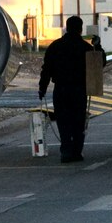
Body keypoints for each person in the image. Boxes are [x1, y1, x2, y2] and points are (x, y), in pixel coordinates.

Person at [39, 16, 93, 162]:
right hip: (79, 90)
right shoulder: (86, 48)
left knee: (63, 121)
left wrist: (42, 88)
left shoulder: (55, 46)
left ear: (67, 28)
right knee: (78, 121)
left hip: (61, 89)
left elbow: (46, 70)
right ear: (80, 29)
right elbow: (98, 64)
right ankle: (77, 151)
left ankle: (66, 151)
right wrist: (98, 47)